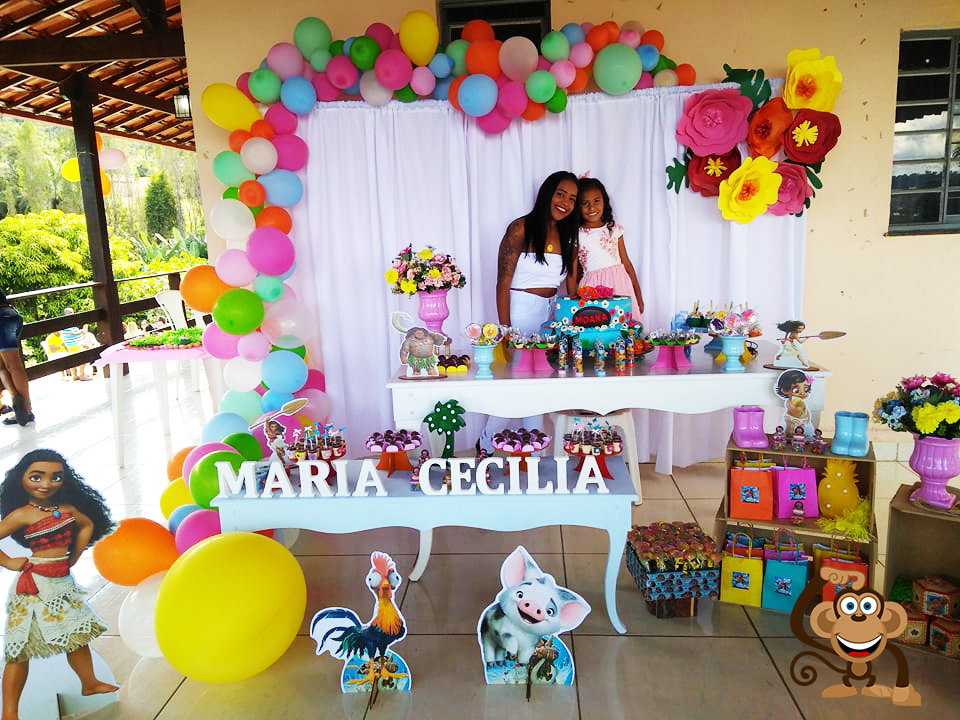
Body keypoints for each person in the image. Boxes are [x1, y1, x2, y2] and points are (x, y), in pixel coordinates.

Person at [0, 449, 118, 718]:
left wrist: (72, 557)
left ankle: (89, 682)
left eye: (56, 477)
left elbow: (87, 525)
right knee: (19, 650)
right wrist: (8, 561)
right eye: (36, 477)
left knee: (76, 635)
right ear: (21, 479)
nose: (46, 484)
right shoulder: (22, 514)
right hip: (33, 586)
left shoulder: (66, 510)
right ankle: (9, 712)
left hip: (61, 582)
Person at [478, 171, 580, 453]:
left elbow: (571, 290)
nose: (565, 203)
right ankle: (488, 445)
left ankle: (530, 451)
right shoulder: (520, 228)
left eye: (572, 199)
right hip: (520, 312)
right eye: (560, 194)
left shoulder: (568, 238)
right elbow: (502, 282)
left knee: (539, 385)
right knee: (520, 386)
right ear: (547, 193)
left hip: (550, 317)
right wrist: (506, 330)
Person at [568, 177, 644, 315]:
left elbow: (626, 262)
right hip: (592, 288)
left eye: (596, 201)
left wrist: (638, 295)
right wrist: (571, 304)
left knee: (622, 322)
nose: (592, 207)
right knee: (597, 321)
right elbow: (572, 272)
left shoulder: (614, 230)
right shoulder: (577, 235)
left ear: (604, 201)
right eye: (585, 203)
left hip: (620, 285)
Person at [0, 290, 33, 426]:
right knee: (5, 366)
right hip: (10, 313)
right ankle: (17, 400)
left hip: (2, 319)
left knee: (11, 366)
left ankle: (26, 410)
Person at [775, 369, 814, 438]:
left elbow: (806, 411)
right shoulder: (790, 402)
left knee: (802, 431)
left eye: (805, 389)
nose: (802, 393)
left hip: (803, 420)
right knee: (790, 429)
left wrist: (808, 418)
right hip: (791, 419)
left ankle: (801, 438)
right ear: (784, 390)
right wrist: (800, 407)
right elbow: (797, 411)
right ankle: (788, 437)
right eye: (796, 390)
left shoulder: (802, 402)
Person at [60, 309, 90, 381]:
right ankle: (82, 375)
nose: (73, 314)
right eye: (70, 313)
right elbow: (72, 333)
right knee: (83, 358)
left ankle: (75, 375)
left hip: (72, 344)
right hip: (74, 344)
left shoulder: (67, 323)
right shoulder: (67, 323)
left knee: (73, 359)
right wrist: (81, 331)